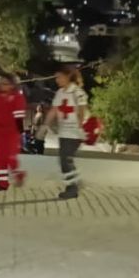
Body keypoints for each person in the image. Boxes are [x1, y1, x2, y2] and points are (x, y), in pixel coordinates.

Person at [44, 66, 88, 200]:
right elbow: (54, 110)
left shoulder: (77, 93)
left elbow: (82, 110)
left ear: (67, 76)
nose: (57, 80)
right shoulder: (60, 93)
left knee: (65, 160)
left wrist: (80, 127)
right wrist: (45, 125)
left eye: (59, 77)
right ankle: (74, 182)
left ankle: (72, 188)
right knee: (65, 160)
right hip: (63, 132)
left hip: (74, 132)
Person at [0, 73, 27, 191]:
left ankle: (17, 174)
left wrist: (20, 132)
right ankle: (2, 183)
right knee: (0, 158)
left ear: (12, 85)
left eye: (5, 84)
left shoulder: (18, 97)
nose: (2, 86)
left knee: (10, 157)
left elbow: (19, 117)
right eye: (1, 83)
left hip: (12, 131)